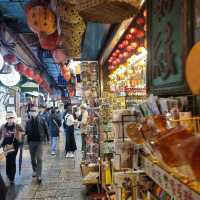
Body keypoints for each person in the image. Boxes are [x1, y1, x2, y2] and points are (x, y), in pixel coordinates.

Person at [25, 106, 49, 184]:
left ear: (37, 111)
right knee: (32, 159)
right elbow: (26, 131)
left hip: (39, 142)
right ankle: (34, 170)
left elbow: (46, 129)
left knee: (39, 158)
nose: (33, 112)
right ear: (30, 112)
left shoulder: (42, 119)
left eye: (35, 110)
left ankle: (39, 175)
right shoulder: (28, 121)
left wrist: (48, 139)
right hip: (31, 142)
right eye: (32, 111)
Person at [0, 111, 24, 185]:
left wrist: (19, 135)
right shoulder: (3, 126)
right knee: (8, 160)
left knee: (12, 160)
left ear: (14, 118)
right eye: (8, 118)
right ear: (6, 119)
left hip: (14, 146)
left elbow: (23, 132)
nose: (10, 119)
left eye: (11, 118)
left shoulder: (17, 126)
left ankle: (12, 177)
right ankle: (8, 174)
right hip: (6, 146)